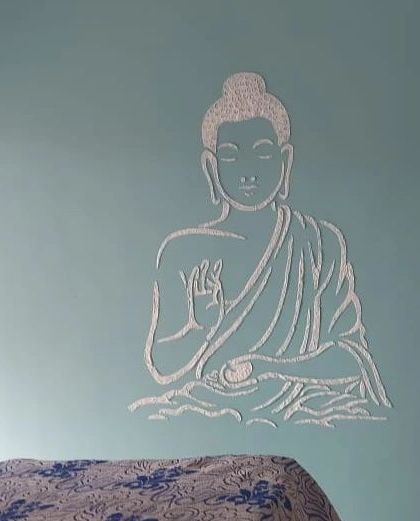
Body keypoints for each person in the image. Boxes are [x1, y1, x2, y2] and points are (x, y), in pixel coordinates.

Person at [129, 73, 391, 427]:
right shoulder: (183, 251)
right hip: (208, 408)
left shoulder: (319, 243)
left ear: (285, 161)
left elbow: (350, 360)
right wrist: (201, 328)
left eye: (263, 153)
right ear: (211, 166)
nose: (248, 172)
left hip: (302, 407)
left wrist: (266, 367)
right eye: (231, 156)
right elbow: (163, 367)